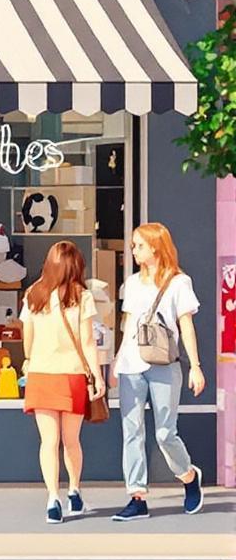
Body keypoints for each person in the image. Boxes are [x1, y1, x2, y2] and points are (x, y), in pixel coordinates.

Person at [111, 222, 207, 520]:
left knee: (165, 433)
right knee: (132, 431)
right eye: (133, 245)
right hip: (132, 365)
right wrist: (118, 359)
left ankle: (188, 476)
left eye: (139, 245)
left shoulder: (179, 282)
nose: (134, 250)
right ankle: (136, 496)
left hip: (164, 363)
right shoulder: (132, 283)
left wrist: (196, 367)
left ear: (155, 247)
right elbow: (128, 325)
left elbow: (186, 326)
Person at [20, 238, 105, 523]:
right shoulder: (82, 296)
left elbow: (27, 336)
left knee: (48, 442)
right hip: (72, 374)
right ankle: (74, 490)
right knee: (71, 440)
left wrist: (29, 360)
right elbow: (88, 341)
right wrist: (97, 376)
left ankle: (52, 499)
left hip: (41, 373)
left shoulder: (33, 294)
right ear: (75, 265)